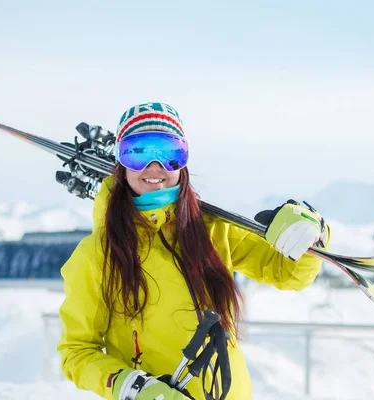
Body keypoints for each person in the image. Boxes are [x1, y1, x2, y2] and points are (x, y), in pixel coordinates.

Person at [57, 102, 330, 400]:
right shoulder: (98, 253)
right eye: (138, 152)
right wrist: (132, 387)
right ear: (121, 162)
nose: (154, 166)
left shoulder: (213, 231)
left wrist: (309, 238)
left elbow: (288, 274)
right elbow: (77, 351)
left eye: (170, 153)